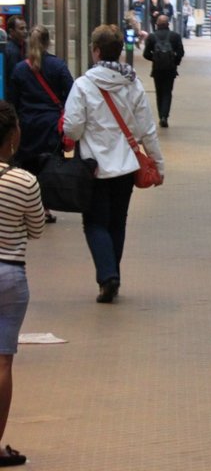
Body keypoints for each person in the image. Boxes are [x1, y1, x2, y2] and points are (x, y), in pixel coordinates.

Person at [63, 24, 165, 303]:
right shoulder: (132, 83)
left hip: (93, 168)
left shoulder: (83, 85)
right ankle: (113, 275)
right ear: (119, 52)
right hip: (127, 167)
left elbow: (72, 129)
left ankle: (108, 277)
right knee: (117, 222)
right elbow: (147, 130)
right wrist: (158, 164)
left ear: (96, 51)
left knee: (94, 223)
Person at [0, 100, 46, 467]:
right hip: (10, 275)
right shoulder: (25, 180)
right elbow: (36, 230)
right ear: (13, 137)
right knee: (2, 363)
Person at [9, 25, 74, 223]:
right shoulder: (58, 66)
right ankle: (44, 209)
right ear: (48, 42)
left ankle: (25, 209)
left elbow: (13, 100)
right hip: (51, 126)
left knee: (27, 167)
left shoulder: (20, 69)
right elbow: (72, 93)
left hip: (27, 126)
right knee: (48, 168)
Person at [142, 14, 185, 128]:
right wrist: (174, 62)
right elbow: (181, 52)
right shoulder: (175, 36)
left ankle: (161, 114)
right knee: (167, 92)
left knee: (159, 92)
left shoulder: (152, 37)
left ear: (157, 25)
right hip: (170, 69)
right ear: (168, 24)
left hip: (157, 69)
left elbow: (146, 54)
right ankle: (164, 116)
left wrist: (155, 59)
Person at [2, 18, 27, 104]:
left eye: (25, 28)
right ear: (11, 31)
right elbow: (14, 79)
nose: (25, 31)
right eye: (21, 28)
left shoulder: (21, 48)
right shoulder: (12, 51)